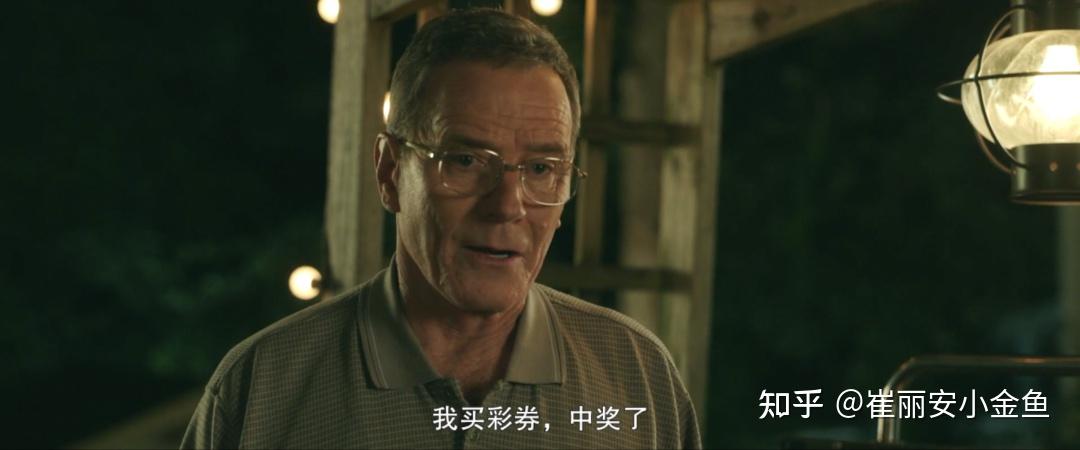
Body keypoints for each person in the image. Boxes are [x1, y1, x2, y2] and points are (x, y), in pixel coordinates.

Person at [181, 8, 700, 449]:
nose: (507, 206)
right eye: (466, 160)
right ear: (390, 173)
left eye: (542, 168)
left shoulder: (637, 377)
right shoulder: (264, 390)